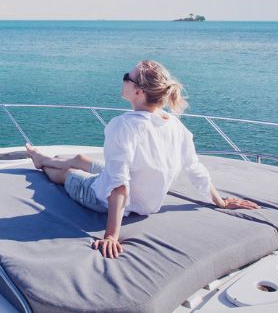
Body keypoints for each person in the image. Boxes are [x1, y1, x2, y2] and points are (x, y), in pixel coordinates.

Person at [25, 60, 260, 259]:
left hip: (103, 198)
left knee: (67, 176)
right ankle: (59, 158)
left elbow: (118, 185)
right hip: (143, 198)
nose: (124, 78)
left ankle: (42, 163)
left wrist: (111, 236)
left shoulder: (123, 126)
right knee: (82, 159)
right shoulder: (174, 124)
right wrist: (220, 202)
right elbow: (194, 168)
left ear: (139, 92)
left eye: (128, 76)